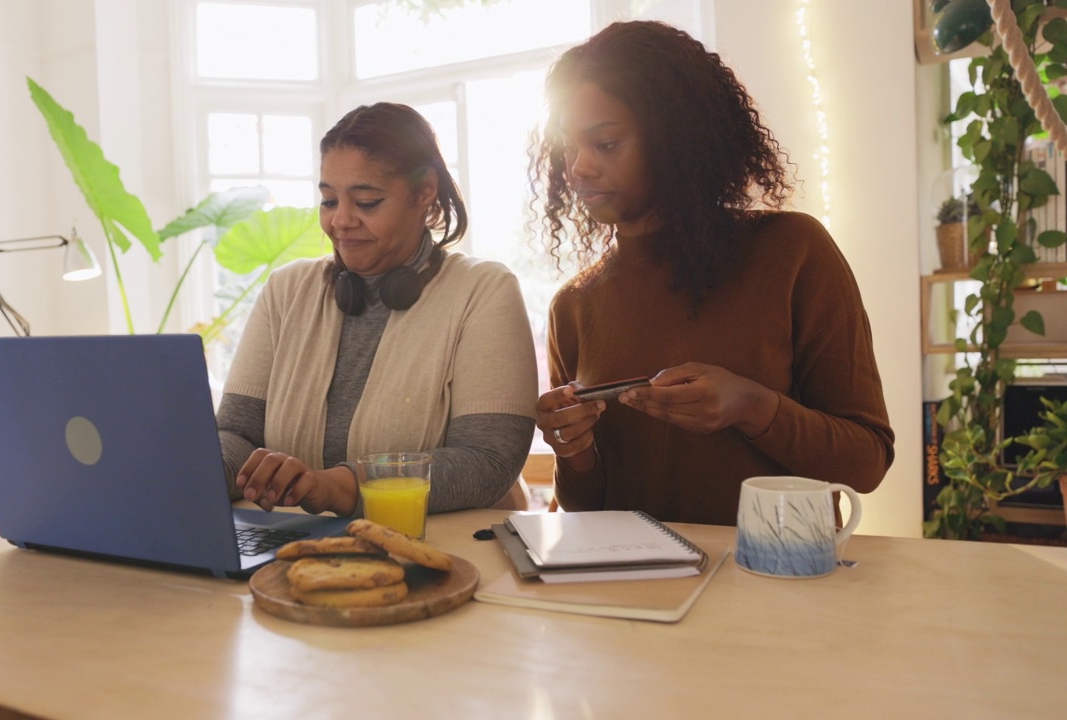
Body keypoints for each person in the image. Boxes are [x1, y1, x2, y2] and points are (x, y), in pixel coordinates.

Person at [528, 21, 895, 526]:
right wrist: (573, 447)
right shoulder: (574, 305)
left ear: (676, 140)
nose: (578, 169)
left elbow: (867, 461)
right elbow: (586, 510)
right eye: (569, 147)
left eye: (606, 144)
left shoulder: (791, 251)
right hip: (639, 594)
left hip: (775, 586)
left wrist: (752, 406)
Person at [217, 102, 538, 517]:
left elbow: (488, 461)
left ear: (424, 193)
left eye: (366, 201)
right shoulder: (286, 289)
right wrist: (194, 472)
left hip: (449, 553)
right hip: (303, 551)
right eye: (329, 201)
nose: (341, 221)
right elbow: (236, 433)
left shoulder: (485, 291)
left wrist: (338, 487)